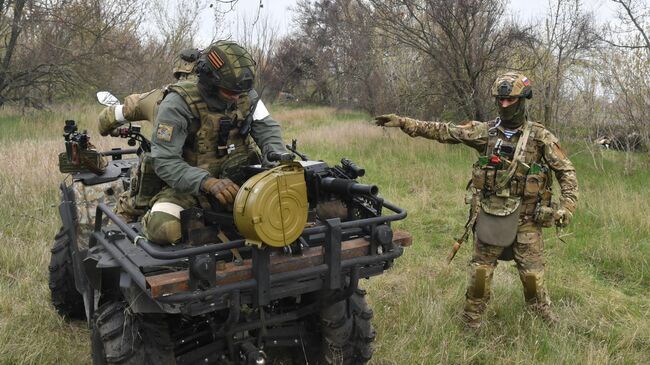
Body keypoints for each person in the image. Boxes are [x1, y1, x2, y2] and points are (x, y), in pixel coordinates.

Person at [374, 72, 578, 331]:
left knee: (532, 278)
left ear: (523, 100)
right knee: (480, 274)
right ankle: (471, 322)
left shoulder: (540, 137)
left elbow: (566, 171)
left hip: (528, 219)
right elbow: (444, 131)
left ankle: (543, 321)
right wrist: (404, 122)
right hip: (491, 216)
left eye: (510, 100)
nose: (504, 105)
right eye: (500, 100)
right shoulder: (486, 132)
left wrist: (567, 206)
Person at [141, 40, 288, 245]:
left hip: (240, 181)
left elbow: (267, 128)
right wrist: (207, 183)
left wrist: (276, 156)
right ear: (210, 83)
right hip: (189, 187)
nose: (236, 98)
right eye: (230, 93)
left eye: (240, 93)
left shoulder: (244, 93)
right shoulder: (177, 104)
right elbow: (165, 160)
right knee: (164, 228)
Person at [97, 48, 201, 136]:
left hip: (171, 158)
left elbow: (107, 118)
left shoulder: (161, 98)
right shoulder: (215, 98)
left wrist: (112, 130)